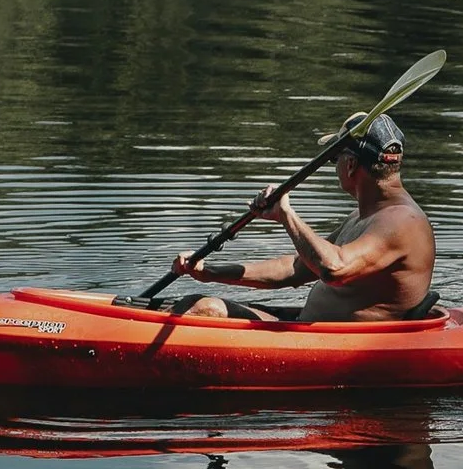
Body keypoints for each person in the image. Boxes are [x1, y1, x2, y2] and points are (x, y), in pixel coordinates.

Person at [173, 113, 436, 324]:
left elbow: (334, 269)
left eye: (335, 158)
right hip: (308, 328)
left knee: (202, 309)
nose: (335, 166)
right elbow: (298, 268)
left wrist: (287, 214)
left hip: (342, 346)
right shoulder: (364, 216)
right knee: (197, 305)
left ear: (351, 165)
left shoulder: (403, 223)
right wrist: (208, 272)